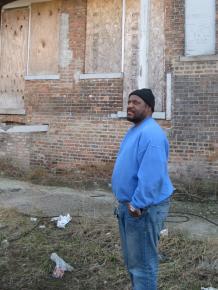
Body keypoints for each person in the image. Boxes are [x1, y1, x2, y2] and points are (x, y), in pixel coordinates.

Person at [112, 88, 174, 290]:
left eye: (136, 102)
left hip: (141, 210)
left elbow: (152, 176)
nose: (130, 106)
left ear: (149, 107)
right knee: (134, 262)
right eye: (129, 101)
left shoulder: (152, 134)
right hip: (130, 207)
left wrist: (137, 204)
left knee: (143, 265)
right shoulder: (136, 130)